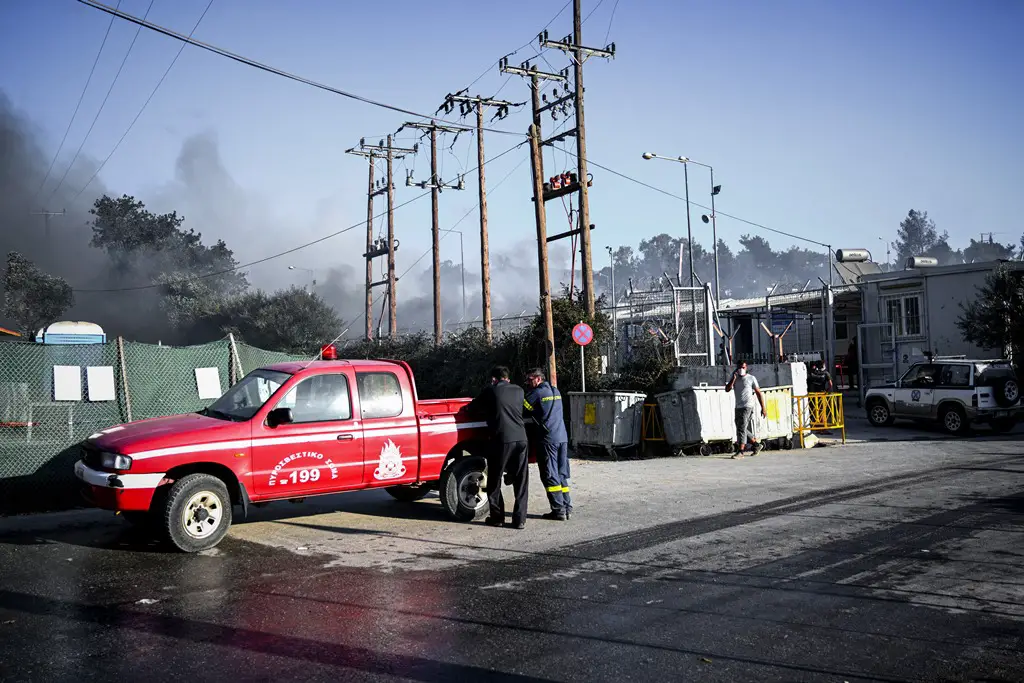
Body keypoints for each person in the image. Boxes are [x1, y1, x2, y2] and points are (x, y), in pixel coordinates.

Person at [467, 366, 529, 529]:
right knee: (521, 480)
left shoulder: (491, 390)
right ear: (508, 378)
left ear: (494, 379)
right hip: (522, 438)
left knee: (494, 479)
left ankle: (497, 517)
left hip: (501, 440)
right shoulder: (519, 390)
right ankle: (520, 520)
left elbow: (472, 409)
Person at [523, 368, 571, 521]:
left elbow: (522, 408)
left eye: (530, 380)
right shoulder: (556, 391)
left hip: (548, 439)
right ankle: (567, 507)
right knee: (561, 473)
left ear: (538, 379)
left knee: (550, 475)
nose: (528, 383)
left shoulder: (537, 393)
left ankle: (558, 510)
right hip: (562, 437)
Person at [725, 360, 767, 458]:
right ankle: (756, 445)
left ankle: (741, 451)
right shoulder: (734, 377)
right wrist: (733, 379)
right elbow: (727, 389)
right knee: (741, 428)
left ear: (746, 367)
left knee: (741, 428)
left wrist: (763, 408)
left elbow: (758, 393)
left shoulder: (751, 378)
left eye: (743, 367)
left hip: (747, 406)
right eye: (739, 367)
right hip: (738, 407)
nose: (741, 369)